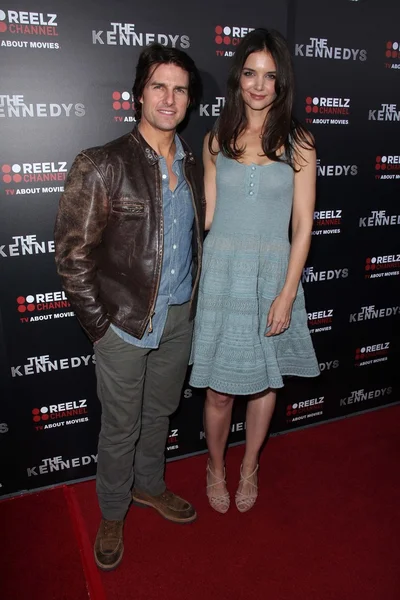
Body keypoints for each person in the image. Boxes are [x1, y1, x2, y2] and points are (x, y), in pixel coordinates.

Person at [54, 44, 204, 570]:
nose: (169, 98)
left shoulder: (192, 163)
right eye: (159, 86)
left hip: (179, 316)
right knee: (120, 426)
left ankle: (149, 487)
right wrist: (101, 328)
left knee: (159, 413)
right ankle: (113, 511)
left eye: (180, 89)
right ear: (138, 93)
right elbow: (73, 256)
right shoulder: (102, 163)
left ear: (190, 99)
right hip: (124, 325)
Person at [189, 28, 320, 514]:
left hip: (272, 276)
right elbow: (208, 217)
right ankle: (216, 466)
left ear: (281, 82)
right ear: (237, 77)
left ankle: (249, 467)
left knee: (265, 383)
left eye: (269, 75)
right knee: (220, 392)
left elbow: (303, 226)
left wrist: (287, 294)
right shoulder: (214, 140)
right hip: (223, 276)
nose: (259, 85)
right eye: (250, 73)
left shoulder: (299, 141)